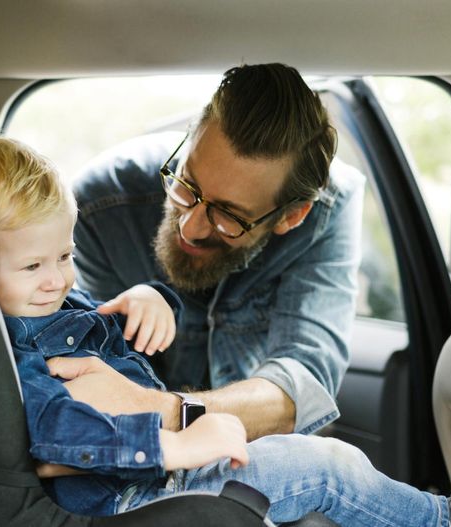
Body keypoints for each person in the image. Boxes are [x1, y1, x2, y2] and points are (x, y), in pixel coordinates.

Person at [0, 135, 451, 527]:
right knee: (326, 468)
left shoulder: (45, 305)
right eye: (33, 266)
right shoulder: (9, 348)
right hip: (134, 492)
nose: (56, 280)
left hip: (153, 473)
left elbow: (98, 330)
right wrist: (172, 445)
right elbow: (53, 435)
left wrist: (150, 299)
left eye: (65, 256)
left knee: (324, 467)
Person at [69, 63, 362, 440]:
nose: (189, 227)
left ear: (291, 216)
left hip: (256, 447)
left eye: (229, 215)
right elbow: (98, 360)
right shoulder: (101, 205)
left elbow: (303, 382)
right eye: (187, 184)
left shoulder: (327, 213)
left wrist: (170, 412)